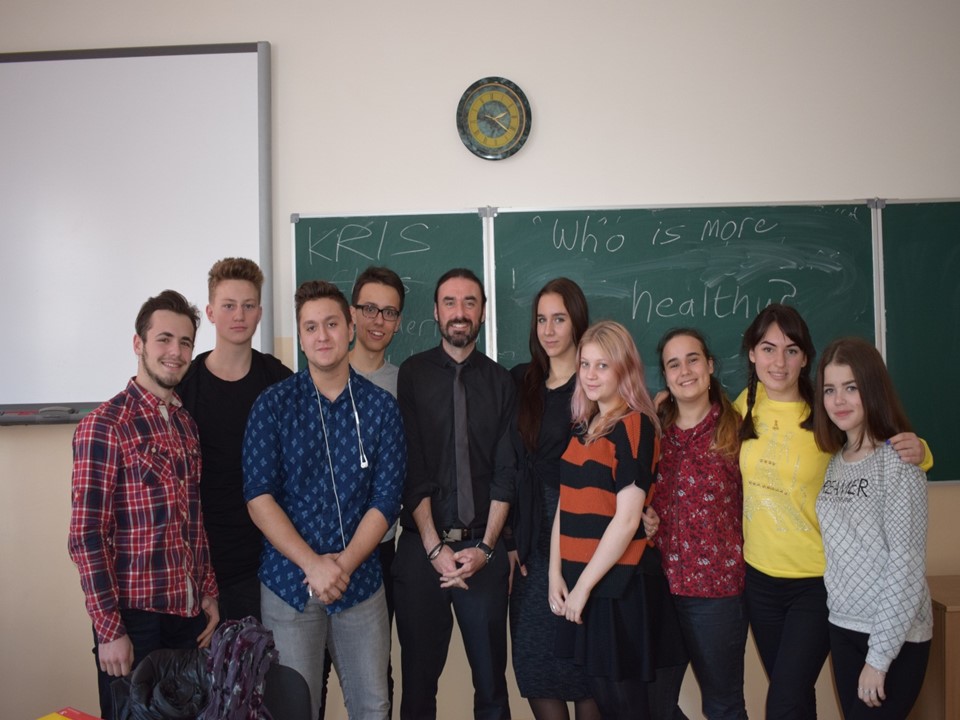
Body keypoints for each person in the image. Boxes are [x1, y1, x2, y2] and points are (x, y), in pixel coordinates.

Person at [735, 303, 930, 719]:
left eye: (791, 350)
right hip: (761, 580)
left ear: (806, 358)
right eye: (768, 348)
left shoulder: (824, 417)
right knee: (794, 696)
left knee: (784, 701)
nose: (779, 362)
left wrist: (921, 452)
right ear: (752, 354)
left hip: (815, 582)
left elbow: (880, 449)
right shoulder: (743, 408)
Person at [242, 280, 405, 720]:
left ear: (350, 328)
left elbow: (387, 499)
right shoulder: (272, 406)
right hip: (289, 585)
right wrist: (313, 565)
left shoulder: (380, 408)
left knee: (374, 706)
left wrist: (342, 566)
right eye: (310, 327)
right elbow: (259, 498)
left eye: (331, 324)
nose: (322, 336)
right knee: (294, 709)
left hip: (361, 583)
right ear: (300, 337)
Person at [68, 290, 219, 720]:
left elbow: (193, 520)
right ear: (139, 344)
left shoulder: (185, 425)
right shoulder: (104, 426)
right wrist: (109, 629)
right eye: (164, 339)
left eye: (186, 342)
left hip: (186, 618)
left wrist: (207, 591)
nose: (176, 352)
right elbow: (86, 537)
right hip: (133, 621)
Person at [393, 267, 517, 720]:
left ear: (483, 312)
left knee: (492, 690)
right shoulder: (412, 375)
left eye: (470, 302)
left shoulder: (502, 382)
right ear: (435, 311)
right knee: (418, 690)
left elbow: (506, 472)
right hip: (421, 551)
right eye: (450, 302)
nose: (459, 312)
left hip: (483, 551)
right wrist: (434, 549)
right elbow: (412, 468)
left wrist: (486, 548)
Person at [549, 320, 663, 718]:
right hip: (585, 582)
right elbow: (566, 503)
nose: (591, 375)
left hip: (619, 586)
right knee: (606, 701)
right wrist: (556, 574)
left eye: (603, 365)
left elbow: (628, 520)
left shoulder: (635, 424)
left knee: (625, 705)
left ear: (624, 369)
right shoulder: (583, 426)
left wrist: (583, 587)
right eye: (585, 364)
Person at [813, 337, 932, 719]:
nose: (839, 400)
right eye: (830, 389)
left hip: (893, 637)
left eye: (851, 387)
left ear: (872, 388)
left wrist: (878, 659)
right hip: (843, 626)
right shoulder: (836, 462)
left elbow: (906, 566)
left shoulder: (898, 463)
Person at [176, 257, 292, 623]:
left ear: (260, 313)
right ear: (210, 313)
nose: (239, 315)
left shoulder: (280, 381)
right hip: (202, 563)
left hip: (267, 561)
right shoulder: (184, 386)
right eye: (228, 306)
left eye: (248, 306)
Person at [508, 278, 600, 720]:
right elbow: (506, 466)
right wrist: (511, 540)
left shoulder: (595, 386)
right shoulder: (520, 382)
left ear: (577, 321)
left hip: (583, 542)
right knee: (535, 667)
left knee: (587, 670)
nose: (548, 330)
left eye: (559, 319)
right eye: (541, 320)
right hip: (530, 543)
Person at [649, 328, 748, 720]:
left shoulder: (739, 429)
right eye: (673, 364)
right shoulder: (653, 431)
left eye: (693, 359)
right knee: (652, 706)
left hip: (716, 593)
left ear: (709, 365)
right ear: (665, 376)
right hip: (659, 587)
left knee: (723, 706)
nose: (685, 370)